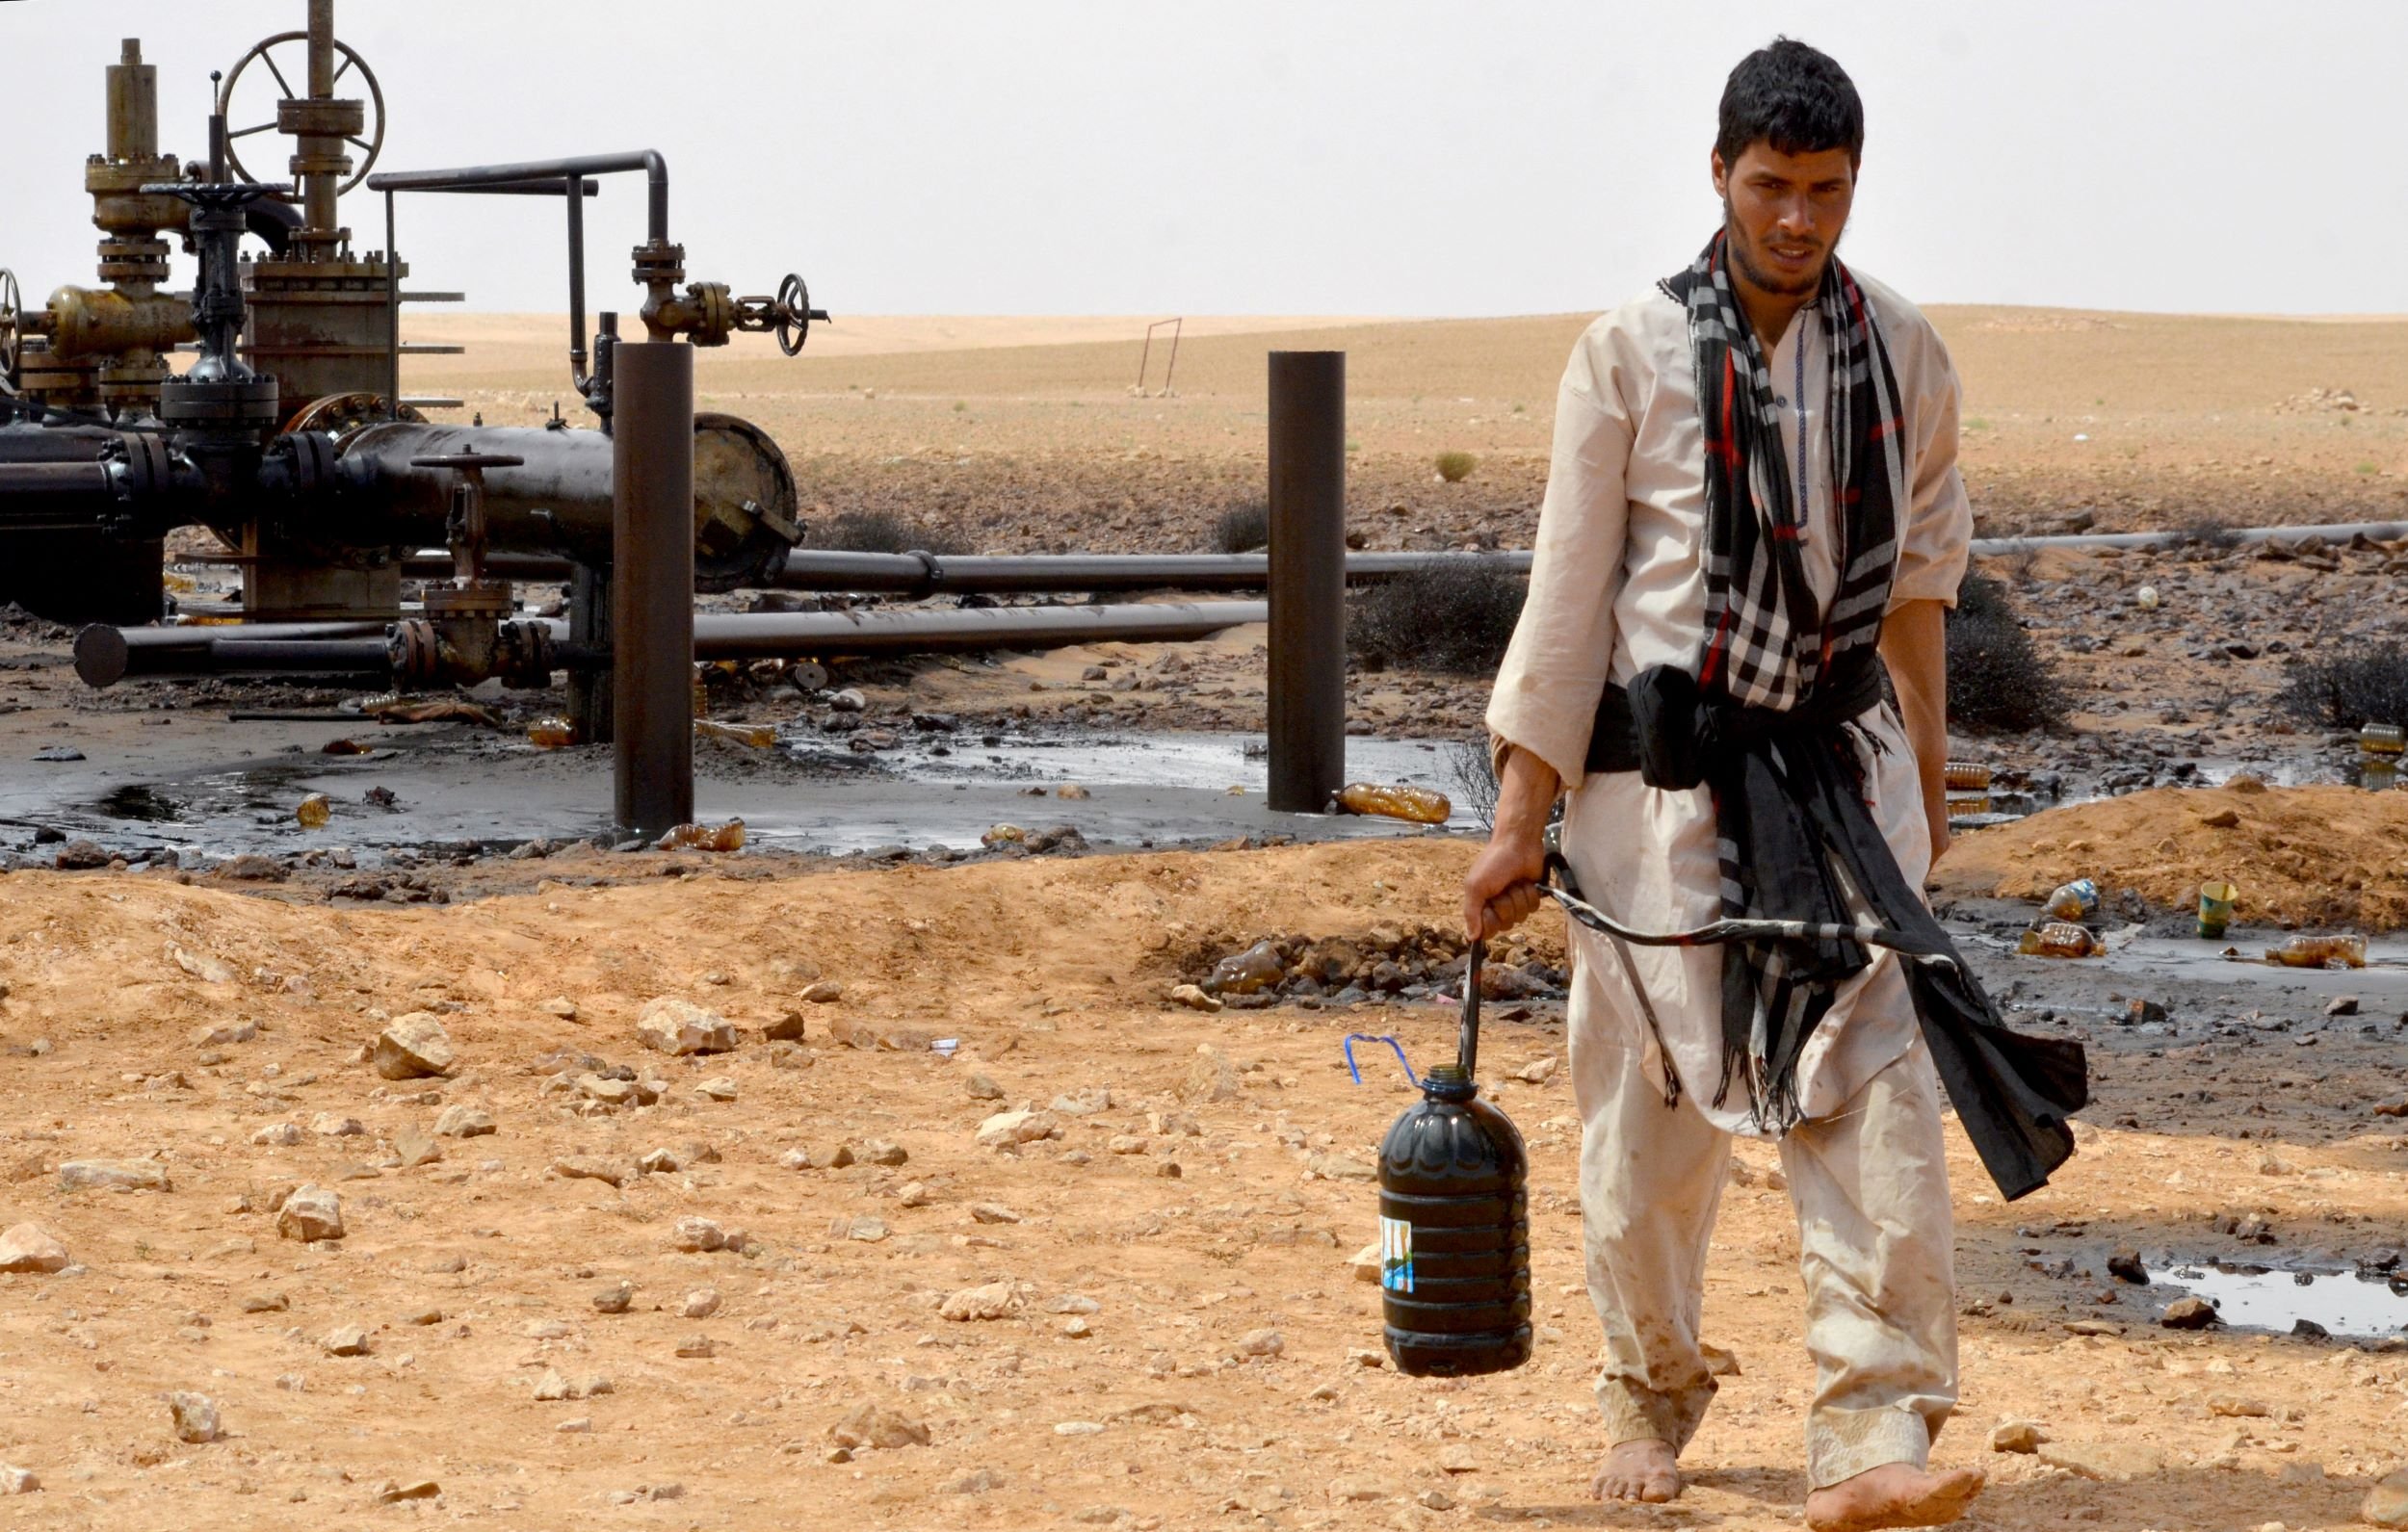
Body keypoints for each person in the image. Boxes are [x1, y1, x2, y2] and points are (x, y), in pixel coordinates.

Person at [1461, 38, 2083, 1532]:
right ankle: (1650, 1385)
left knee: (1869, 1087)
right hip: (1656, 797)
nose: (1798, 220)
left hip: (1843, 774)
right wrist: (1514, 825)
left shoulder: (1907, 354)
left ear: (1853, 185)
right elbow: (1566, 600)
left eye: (1826, 192)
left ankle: (1873, 1426)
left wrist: (1922, 794)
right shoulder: (1628, 352)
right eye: (1771, 188)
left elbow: (1921, 595)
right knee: (1649, 1110)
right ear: (1721, 175)